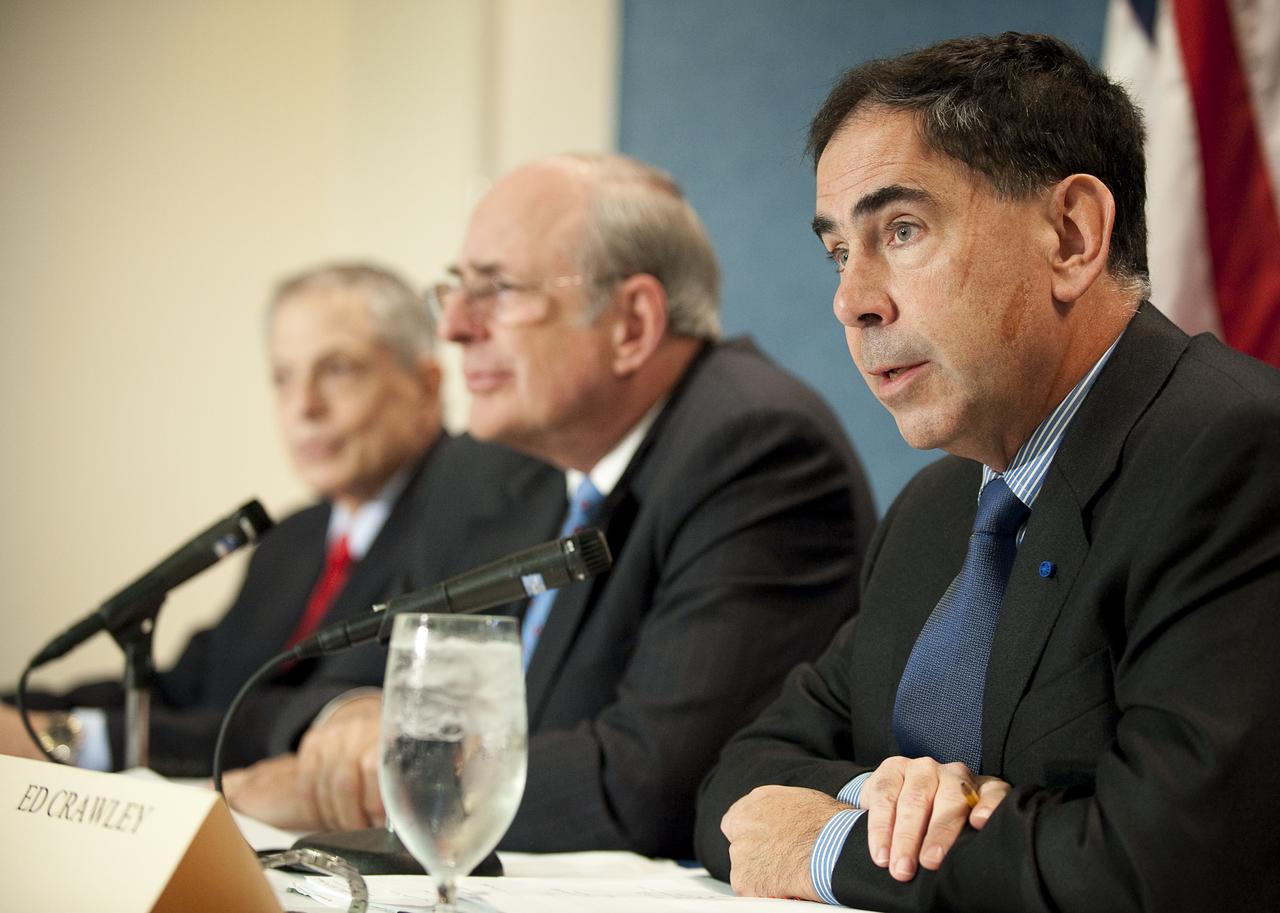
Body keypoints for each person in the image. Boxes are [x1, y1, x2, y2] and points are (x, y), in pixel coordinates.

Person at [693, 32, 1280, 912]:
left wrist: (832, 847)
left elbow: (1162, 867)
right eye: (839, 252)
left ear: (1071, 235)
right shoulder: (938, 510)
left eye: (902, 230)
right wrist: (886, 797)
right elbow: (740, 786)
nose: (852, 301)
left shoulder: (1236, 454)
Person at [230, 153, 877, 859]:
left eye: (497, 290)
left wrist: (390, 785)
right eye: (455, 288)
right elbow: (363, 669)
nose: (453, 327)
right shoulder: (499, 464)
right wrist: (351, 717)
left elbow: (652, 781)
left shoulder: (756, 449)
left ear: (631, 323)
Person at [2, 262, 561, 776]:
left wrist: (70, 738)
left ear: (426, 386)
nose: (304, 406)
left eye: (337, 370)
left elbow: (320, 716)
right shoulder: (293, 538)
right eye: (283, 377)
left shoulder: (478, 506)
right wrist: (26, 709)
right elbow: (185, 691)